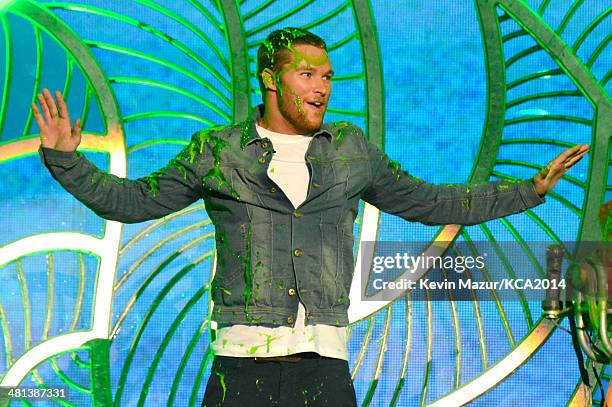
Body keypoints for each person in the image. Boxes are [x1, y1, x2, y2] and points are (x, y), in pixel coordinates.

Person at [32, 27, 589, 407]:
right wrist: (64, 158)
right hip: (240, 366)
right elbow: (132, 201)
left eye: (326, 76)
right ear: (271, 79)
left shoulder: (349, 150)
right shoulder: (219, 151)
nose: (321, 87)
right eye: (306, 75)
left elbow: (432, 202)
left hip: (323, 367)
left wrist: (529, 191)